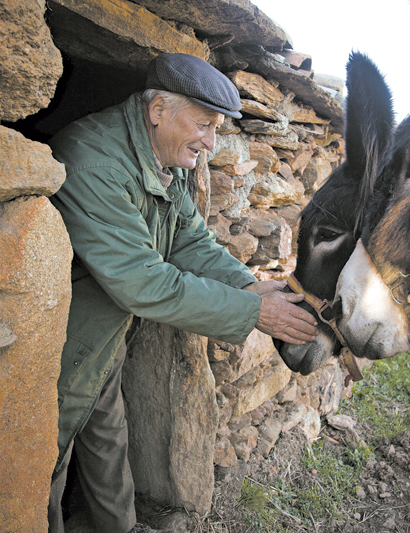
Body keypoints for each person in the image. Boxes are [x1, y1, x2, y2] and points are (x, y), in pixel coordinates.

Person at [46, 53, 318, 533]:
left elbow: (190, 240)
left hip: (104, 336)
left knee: (108, 439)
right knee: (49, 453)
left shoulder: (159, 154)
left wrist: (248, 284)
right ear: (157, 111)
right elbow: (143, 281)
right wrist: (255, 312)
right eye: (204, 125)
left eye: (218, 130)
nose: (211, 143)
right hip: (62, 343)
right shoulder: (94, 159)